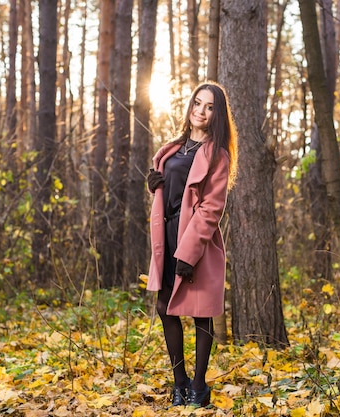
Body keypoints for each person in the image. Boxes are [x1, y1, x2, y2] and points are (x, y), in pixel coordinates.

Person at [145, 81, 238, 408]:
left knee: (201, 314)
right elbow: (172, 188)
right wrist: (154, 184)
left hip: (195, 240)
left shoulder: (217, 155)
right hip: (167, 236)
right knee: (164, 307)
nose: (201, 111)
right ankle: (179, 381)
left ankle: (198, 387)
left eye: (209, 106)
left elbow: (211, 207)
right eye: (197, 103)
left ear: (217, 115)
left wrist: (188, 251)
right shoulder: (174, 147)